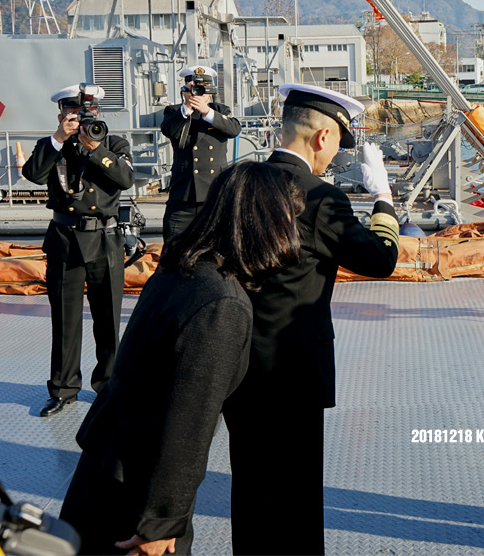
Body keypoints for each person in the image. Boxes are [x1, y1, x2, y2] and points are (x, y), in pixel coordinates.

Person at [59, 161, 305, 556]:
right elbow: (187, 425)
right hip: (138, 499)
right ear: (265, 222)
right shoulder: (222, 304)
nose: (293, 231)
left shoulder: (182, 268)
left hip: (105, 466)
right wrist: (160, 523)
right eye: (289, 219)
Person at [223, 84, 400, 556]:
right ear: (322, 137)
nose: (337, 151)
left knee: (250, 492)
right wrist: (382, 198)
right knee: (296, 503)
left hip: (237, 366)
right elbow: (381, 259)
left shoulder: (233, 183)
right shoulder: (321, 198)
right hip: (292, 372)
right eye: (339, 140)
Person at [22, 84, 134, 418]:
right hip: (66, 240)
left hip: (105, 241)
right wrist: (59, 137)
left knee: (108, 319)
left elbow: (126, 178)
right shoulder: (52, 145)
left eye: (91, 113)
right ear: (62, 115)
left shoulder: (113, 143)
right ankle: (63, 389)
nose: (86, 119)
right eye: (75, 114)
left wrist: (96, 148)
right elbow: (32, 174)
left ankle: (109, 385)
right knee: (65, 320)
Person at [160, 65, 242, 242]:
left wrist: (207, 111)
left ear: (210, 91)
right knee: (174, 245)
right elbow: (168, 130)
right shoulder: (175, 112)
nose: (199, 93)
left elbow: (234, 129)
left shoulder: (220, 111)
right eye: (194, 88)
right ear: (185, 89)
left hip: (214, 193)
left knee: (218, 246)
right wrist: (187, 108)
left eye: (203, 89)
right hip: (184, 193)